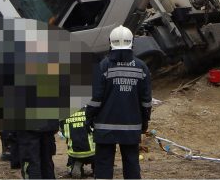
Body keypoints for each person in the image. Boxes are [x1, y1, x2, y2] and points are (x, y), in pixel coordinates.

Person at [86, 26, 152, 180]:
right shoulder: (141, 67)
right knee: (131, 165)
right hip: (132, 126)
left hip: (104, 128)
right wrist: (145, 121)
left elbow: (95, 98)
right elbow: (146, 100)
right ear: (132, 42)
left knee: (103, 166)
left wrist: (88, 117)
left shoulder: (103, 66)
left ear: (110, 43)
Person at [59, 107, 95, 178]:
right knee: (98, 145)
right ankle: (96, 169)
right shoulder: (89, 110)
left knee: (71, 140)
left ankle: (74, 165)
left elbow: (62, 134)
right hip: (93, 152)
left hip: (75, 153)